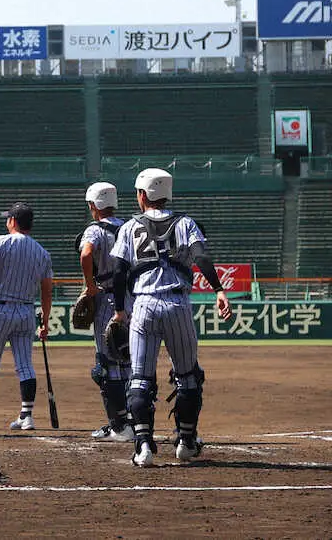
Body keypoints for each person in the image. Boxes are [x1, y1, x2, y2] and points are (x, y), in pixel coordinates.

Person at [111, 168, 232, 467]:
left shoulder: (129, 227)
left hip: (143, 305)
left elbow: (118, 272)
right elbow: (201, 257)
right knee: (188, 376)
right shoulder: (186, 223)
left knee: (140, 379)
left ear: (142, 195)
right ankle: (186, 442)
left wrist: (119, 310)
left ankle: (143, 447)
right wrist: (218, 290)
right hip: (177, 304)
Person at [0, 202, 53, 432]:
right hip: (26, 311)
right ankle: (27, 416)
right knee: (25, 365)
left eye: (8, 218)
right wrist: (45, 321)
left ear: (13, 221)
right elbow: (47, 290)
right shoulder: (41, 252)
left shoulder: (1, 242)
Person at [78, 181, 133, 441]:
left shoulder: (95, 229)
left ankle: (118, 425)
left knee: (107, 364)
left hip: (108, 299)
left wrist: (90, 286)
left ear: (94, 205)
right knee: (131, 361)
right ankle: (137, 420)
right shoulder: (129, 227)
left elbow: (86, 254)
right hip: (132, 298)